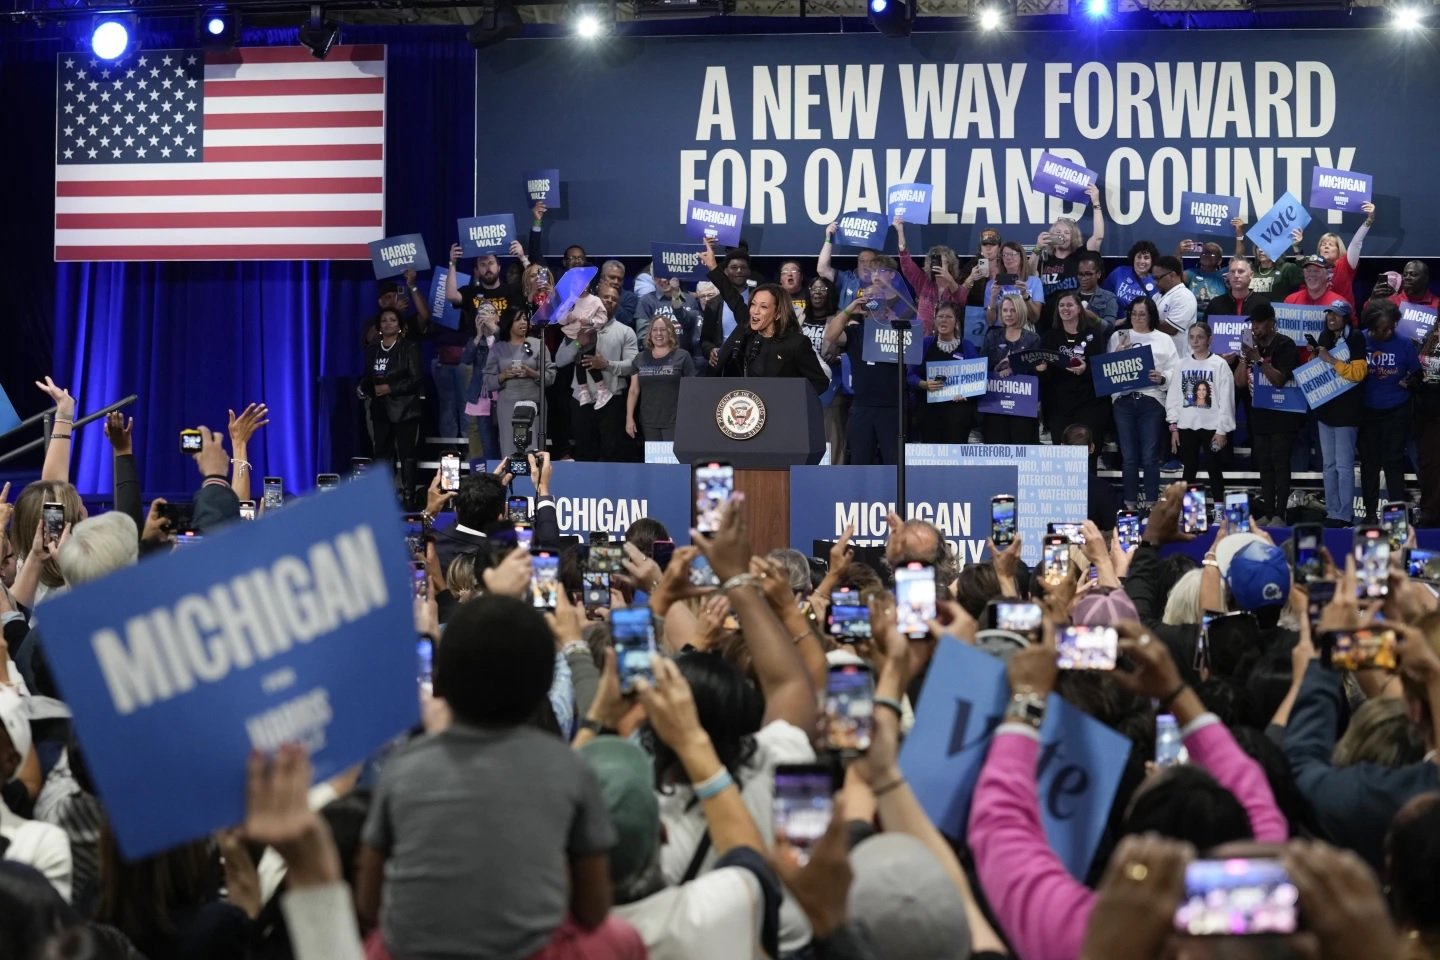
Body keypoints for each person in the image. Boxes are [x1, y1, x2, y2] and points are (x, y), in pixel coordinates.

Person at [969, 620, 1286, 960]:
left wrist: (1028, 696)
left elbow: (1001, 821)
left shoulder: (1084, 936)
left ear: (1133, 841)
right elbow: (1250, 787)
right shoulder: (1265, 906)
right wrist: (1176, 694)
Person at [356, 595, 642, 960]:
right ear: (546, 687)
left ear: (440, 682)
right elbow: (594, 909)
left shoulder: (402, 768)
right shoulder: (570, 769)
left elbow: (368, 905)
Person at [704, 241, 830, 396]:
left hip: (781, 414)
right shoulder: (748, 331)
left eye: (763, 307)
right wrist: (713, 266)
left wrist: (793, 401)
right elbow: (733, 298)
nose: (755, 311)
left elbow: (820, 382)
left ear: (777, 313)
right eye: (753, 305)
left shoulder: (796, 344)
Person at [823, 273, 914, 464]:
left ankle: (893, 495)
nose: (873, 302)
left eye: (877, 299)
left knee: (894, 463)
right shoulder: (856, 333)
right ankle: (860, 495)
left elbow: (913, 355)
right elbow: (830, 336)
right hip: (862, 407)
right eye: (868, 298)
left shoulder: (899, 330)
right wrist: (850, 308)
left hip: (892, 408)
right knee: (860, 461)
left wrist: (891, 318)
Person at [555, 283, 641, 463]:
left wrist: (606, 364)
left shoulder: (625, 332)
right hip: (581, 401)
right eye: (606, 297)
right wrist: (578, 343)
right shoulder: (575, 328)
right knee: (585, 455)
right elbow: (560, 360)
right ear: (596, 300)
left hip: (613, 402)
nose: (610, 301)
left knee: (613, 455)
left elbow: (632, 365)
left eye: (614, 299)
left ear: (618, 305)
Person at [1108, 297, 1180, 509]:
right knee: (1128, 457)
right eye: (1134, 313)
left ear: (1151, 316)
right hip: (1124, 401)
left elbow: (1174, 369)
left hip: (1152, 399)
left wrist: (1163, 377)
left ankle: (1151, 504)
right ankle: (1130, 505)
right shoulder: (1118, 337)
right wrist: (1116, 357)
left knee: (1150, 456)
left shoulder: (1163, 339)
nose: (1137, 318)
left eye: (1142, 314)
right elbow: (1107, 371)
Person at [1241, 302, 1305, 525]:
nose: (1255, 328)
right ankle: (1268, 514)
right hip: (1259, 413)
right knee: (1264, 465)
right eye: (1253, 324)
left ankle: (1280, 513)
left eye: (1259, 324)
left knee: (1280, 464)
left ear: (1271, 324)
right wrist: (1244, 358)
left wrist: (1258, 359)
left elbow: (1279, 380)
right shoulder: (1252, 348)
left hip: (1283, 414)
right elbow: (1239, 383)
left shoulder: (1285, 345)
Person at [1360, 298, 1420, 523]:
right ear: (1371, 327)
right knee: (1370, 465)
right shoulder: (1360, 340)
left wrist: (1410, 381)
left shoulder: (1404, 343)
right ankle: (1369, 517)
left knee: (1393, 462)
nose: (1387, 333)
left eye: (1391, 328)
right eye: (1382, 329)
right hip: (1367, 411)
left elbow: (1418, 374)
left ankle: (1397, 520)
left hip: (1397, 410)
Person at [358, 307, 423, 507]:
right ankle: (383, 496)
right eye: (384, 320)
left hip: (404, 410)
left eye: (392, 320)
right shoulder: (372, 350)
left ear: (400, 325)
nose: (388, 324)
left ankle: (408, 495)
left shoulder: (409, 347)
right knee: (381, 455)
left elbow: (416, 378)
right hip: (380, 410)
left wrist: (390, 388)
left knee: (406, 455)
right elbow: (369, 377)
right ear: (379, 326)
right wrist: (363, 387)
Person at [1167, 322, 1236, 502]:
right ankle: (1189, 512)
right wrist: (1173, 425)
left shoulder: (1219, 365)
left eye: (1200, 337)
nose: (1195, 341)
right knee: (1189, 470)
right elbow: (1174, 396)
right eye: (1192, 337)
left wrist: (1222, 429)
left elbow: (1227, 400)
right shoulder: (1181, 364)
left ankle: (1220, 510)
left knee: (1214, 469)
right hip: (1187, 425)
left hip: (1212, 427)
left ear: (1209, 339)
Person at [1313, 301, 1368, 526]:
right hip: (1325, 408)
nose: (1331, 319)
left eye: (1336, 315)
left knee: (1344, 465)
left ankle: (1345, 513)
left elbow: (1359, 373)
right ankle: (1332, 511)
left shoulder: (1355, 338)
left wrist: (1331, 360)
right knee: (1329, 465)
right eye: (1329, 315)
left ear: (1346, 318)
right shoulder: (1324, 337)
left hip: (1347, 410)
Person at [481, 308, 556, 461]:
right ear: (509, 323)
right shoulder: (498, 349)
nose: (523, 322)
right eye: (518, 319)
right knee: (510, 451)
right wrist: (504, 375)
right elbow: (488, 382)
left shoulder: (538, 344)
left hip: (534, 406)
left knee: (533, 451)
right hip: (508, 407)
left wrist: (532, 373)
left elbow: (551, 376)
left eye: (525, 319)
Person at [1040, 291, 1110, 450]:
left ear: (1079, 309)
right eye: (1062, 305)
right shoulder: (1049, 337)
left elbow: (1102, 370)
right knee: (1062, 456)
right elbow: (1046, 378)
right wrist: (1041, 370)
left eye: (1070, 305)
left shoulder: (1094, 334)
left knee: (1088, 455)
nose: (1065, 309)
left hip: (1089, 403)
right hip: (1059, 405)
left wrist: (1086, 369)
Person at [912, 302, 982, 445]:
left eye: (949, 317)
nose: (943, 320)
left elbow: (979, 378)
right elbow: (910, 376)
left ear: (956, 321)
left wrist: (966, 392)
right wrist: (924, 384)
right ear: (935, 320)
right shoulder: (925, 344)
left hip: (958, 412)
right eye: (940, 316)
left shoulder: (967, 346)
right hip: (929, 411)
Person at [982, 293, 1045, 445]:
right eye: (1005, 310)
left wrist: (1014, 368)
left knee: (1022, 447)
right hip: (995, 404)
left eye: (1013, 310)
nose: (1008, 314)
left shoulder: (1033, 338)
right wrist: (996, 368)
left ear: (1021, 311)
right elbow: (982, 365)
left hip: (1023, 405)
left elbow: (1036, 370)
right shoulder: (992, 335)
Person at [1030, 184, 1105, 306]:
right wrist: (1037, 248)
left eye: (1067, 233)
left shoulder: (1081, 255)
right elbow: (1028, 274)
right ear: (1051, 235)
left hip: (1074, 315)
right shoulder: (1044, 259)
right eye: (1058, 232)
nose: (1062, 236)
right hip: (1047, 318)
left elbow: (1098, 237)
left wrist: (1096, 202)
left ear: (1073, 236)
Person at [626, 312, 696, 443]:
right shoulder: (640, 358)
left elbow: (692, 390)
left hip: (675, 421)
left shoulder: (683, 356)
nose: (659, 333)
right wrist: (629, 418)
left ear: (670, 333)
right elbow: (633, 390)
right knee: (654, 463)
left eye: (663, 330)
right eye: (655, 330)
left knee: (674, 462)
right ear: (650, 333)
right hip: (648, 422)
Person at [895, 219, 963, 337]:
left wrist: (949, 280)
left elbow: (961, 298)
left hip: (948, 340)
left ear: (950, 265)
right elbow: (906, 263)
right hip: (923, 339)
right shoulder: (923, 282)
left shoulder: (956, 288)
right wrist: (900, 232)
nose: (938, 265)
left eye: (943, 262)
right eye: (935, 261)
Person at [1300, 200, 1375, 304]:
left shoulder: (1345, 265)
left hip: (1343, 317)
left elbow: (1356, 242)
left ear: (1339, 249)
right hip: (1318, 315)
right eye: (1323, 244)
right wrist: (1296, 246)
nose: (1326, 246)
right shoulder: (1312, 268)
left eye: (1331, 245)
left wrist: (1370, 219)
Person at [459, 301, 501, 463]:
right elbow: (466, 359)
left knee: (501, 439)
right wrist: (478, 335)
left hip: (501, 394)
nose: (485, 316)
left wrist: (494, 330)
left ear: (497, 317)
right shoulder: (476, 341)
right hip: (482, 398)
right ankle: (492, 476)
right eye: (481, 312)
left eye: (490, 312)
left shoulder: (502, 337)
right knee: (487, 442)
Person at [699, 244, 753, 363]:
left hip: (752, 362)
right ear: (725, 271)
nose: (739, 271)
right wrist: (710, 350)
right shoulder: (713, 304)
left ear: (749, 271)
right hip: (723, 363)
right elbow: (705, 340)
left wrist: (713, 267)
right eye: (734, 267)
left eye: (743, 267)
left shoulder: (759, 299)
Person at [983, 242, 1043, 329]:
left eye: (1012, 254)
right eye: (1005, 255)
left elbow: (1035, 317)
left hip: (1025, 330)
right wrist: (993, 297)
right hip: (1000, 330)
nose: (1008, 257)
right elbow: (990, 321)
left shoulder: (1034, 282)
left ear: (1021, 258)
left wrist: (1025, 295)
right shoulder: (992, 284)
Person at [1151, 255, 1198, 360]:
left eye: (1157, 278)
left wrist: (1145, 321)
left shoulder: (1185, 296)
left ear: (1172, 275)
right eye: (1153, 278)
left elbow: (1171, 328)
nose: (1154, 282)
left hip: (1178, 359)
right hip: (1159, 357)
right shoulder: (1157, 296)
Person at [1102, 239, 1160, 312]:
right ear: (1133, 258)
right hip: (1114, 320)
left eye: (1146, 258)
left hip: (1139, 321)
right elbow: (1104, 295)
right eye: (1139, 257)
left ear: (1152, 260)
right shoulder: (1119, 272)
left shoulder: (1156, 282)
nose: (1142, 261)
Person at [1285, 255, 1356, 312]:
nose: (1312, 274)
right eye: (1309, 271)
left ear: (1328, 274)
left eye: (1317, 271)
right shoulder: (1290, 301)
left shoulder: (1339, 304)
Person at [1177, 239, 1227, 310]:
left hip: (1217, 319)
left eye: (1212, 254)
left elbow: (1238, 257)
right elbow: (1177, 277)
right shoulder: (1192, 273)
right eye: (1204, 253)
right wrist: (1178, 253)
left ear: (1219, 260)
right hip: (1194, 319)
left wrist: (1239, 236)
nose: (1207, 255)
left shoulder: (1224, 274)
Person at [1073, 251, 1118, 328]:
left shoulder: (1109, 298)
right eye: (1080, 274)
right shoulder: (1070, 297)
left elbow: (1109, 328)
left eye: (1088, 274)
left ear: (1098, 274)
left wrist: (1095, 319)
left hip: (1097, 339)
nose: (1083, 278)